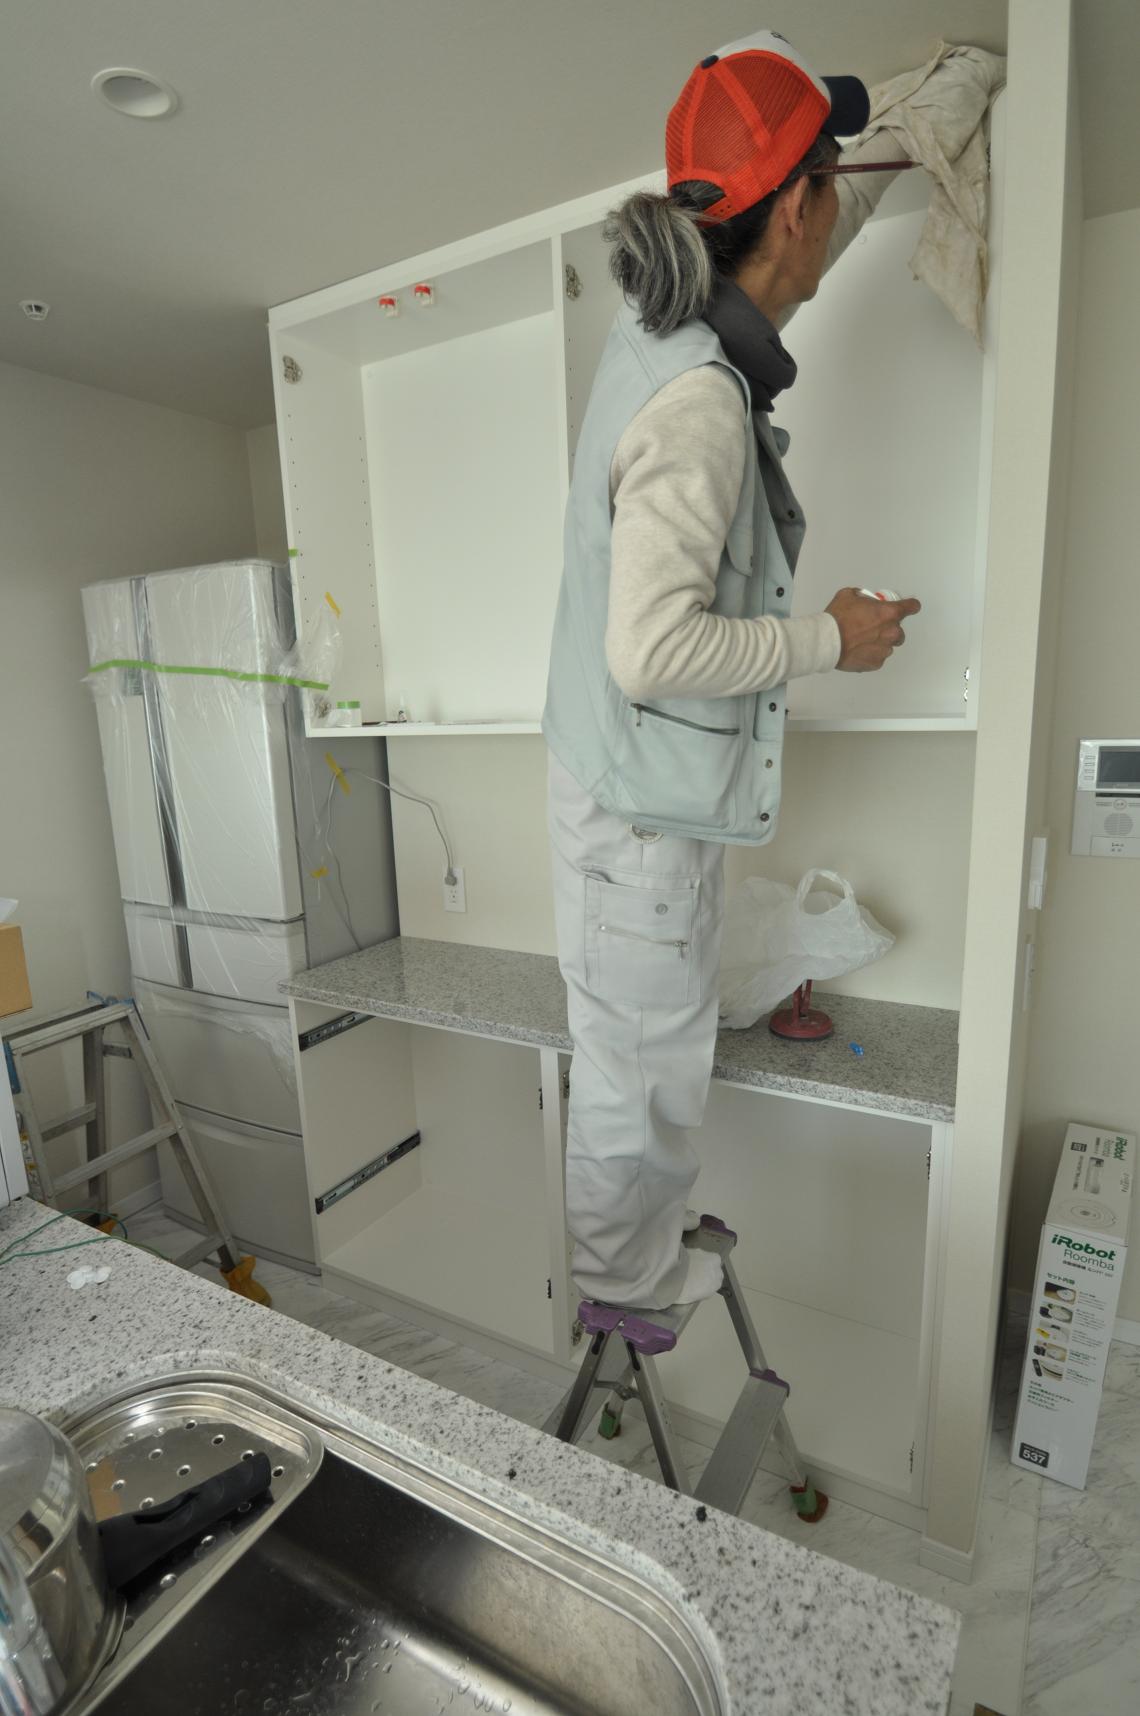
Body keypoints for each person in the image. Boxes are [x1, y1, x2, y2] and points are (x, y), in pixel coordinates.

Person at [542, 30, 921, 1312]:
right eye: (830, 183)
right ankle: (627, 1288)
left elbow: (812, 242)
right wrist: (832, 640)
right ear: (793, 209)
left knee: (640, 1049)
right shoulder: (699, 403)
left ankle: (635, 1250)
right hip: (636, 812)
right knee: (639, 1065)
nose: (834, 208)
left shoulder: (666, 325)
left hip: (628, 790)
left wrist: (918, 129)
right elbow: (651, 649)